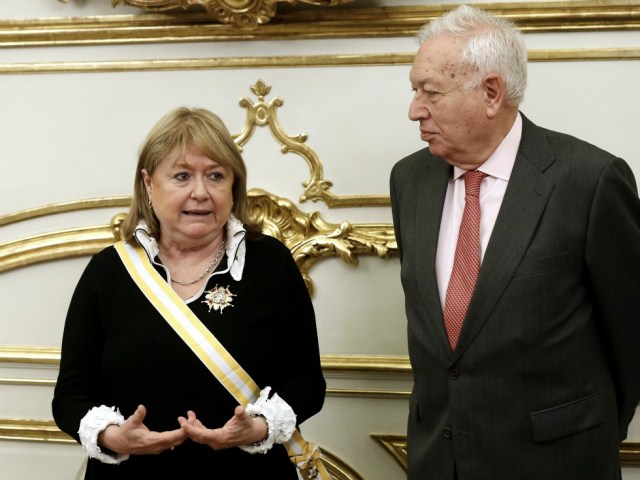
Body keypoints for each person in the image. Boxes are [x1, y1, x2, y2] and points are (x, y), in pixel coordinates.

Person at [389, 4, 640, 480]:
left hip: (556, 461)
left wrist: (596, 429)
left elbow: (630, 332)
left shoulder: (589, 180)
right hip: (438, 459)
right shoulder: (409, 180)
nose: (414, 110)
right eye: (414, 90)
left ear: (490, 92)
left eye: (430, 92)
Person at [52, 107, 327, 479]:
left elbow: (307, 381)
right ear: (149, 184)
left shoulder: (270, 264)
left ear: (233, 186)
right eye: (181, 176)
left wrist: (259, 428)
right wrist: (114, 436)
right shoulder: (109, 270)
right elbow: (71, 393)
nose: (200, 192)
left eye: (215, 176)